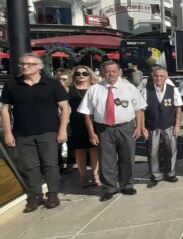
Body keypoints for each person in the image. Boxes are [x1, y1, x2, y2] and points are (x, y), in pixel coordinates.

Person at [1, 54, 70, 212]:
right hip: (22, 132)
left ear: (39, 66)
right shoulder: (12, 85)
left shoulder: (52, 84)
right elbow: (5, 110)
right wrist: (8, 133)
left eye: (30, 64)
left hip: (48, 131)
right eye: (22, 64)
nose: (25, 67)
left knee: (50, 164)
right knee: (30, 166)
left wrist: (62, 130)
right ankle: (36, 196)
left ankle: (52, 194)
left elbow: (64, 108)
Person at [78, 61, 146, 202]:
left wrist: (139, 127)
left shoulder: (129, 87)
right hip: (104, 129)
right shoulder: (94, 89)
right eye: (108, 71)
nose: (111, 74)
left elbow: (138, 109)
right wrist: (92, 133)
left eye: (114, 71)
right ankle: (109, 188)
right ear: (103, 73)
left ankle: (127, 185)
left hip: (126, 127)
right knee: (106, 160)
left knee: (127, 158)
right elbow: (87, 114)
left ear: (119, 72)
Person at [142, 66, 182, 186]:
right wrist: (143, 128)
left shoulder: (173, 89)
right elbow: (141, 110)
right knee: (152, 152)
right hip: (152, 126)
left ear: (166, 77)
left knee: (171, 150)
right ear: (152, 76)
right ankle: (155, 175)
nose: (158, 78)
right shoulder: (146, 90)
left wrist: (177, 125)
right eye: (156, 75)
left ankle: (170, 173)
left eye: (161, 76)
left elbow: (178, 108)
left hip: (168, 125)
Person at [68, 65, 100, 188]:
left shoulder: (95, 88)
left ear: (90, 75)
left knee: (94, 149)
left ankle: (95, 176)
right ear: (74, 75)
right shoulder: (68, 89)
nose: (81, 75)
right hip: (75, 123)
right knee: (79, 150)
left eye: (85, 73)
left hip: (94, 122)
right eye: (78, 73)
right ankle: (84, 177)